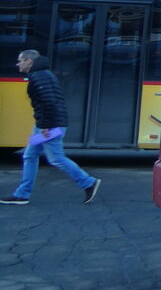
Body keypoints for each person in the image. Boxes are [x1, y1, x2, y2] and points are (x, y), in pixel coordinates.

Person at [0, 50, 101, 205]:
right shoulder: (42, 74)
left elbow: (49, 102)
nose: (18, 64)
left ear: (29, 61)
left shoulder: (39, 77)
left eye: (20, 60)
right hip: (46, 124)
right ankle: (22, 194)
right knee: (30, 155)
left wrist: (46, 126)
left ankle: (88, 182)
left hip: (49, 126)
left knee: (56, 158)